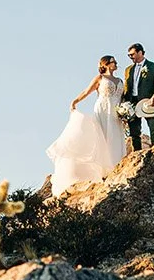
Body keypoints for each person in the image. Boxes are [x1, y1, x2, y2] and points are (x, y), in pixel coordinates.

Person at [46, 55, 129, 192]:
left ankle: (115, 165)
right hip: (103, 110)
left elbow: (122, 97)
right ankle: (103, 170)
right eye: (113, 62)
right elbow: (87, 91)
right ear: (106, 64)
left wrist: (125, 111)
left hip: (116, 111)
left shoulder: (120, 80)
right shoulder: (100, 78)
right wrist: (75, 101)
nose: (116, 64)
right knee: (103, 137)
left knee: (115, 136)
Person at [121, 43, 154, 150]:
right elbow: (126, 87)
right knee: (134, 128)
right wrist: (124, 103)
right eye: (129, 55)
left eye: (132, 54)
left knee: (153, 124)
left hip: (147, 100)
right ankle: (137, 151)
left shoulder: (153, 67)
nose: (131, 57)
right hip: (132, 101)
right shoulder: (128, 69)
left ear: (140, 52)